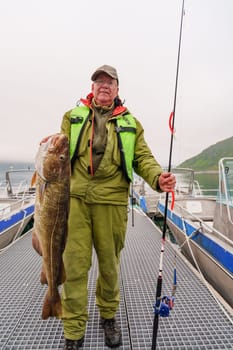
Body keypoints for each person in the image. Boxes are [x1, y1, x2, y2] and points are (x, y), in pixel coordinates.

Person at [60, 64, 176, 350]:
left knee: (110, 267)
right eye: (99, 81)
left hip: (111, 201)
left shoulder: (131, 124)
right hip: (75, 200)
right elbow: (59, 151)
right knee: (74, 266)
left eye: (109, 82)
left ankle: (108, 317)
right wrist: (48, 147)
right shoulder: (72, 117)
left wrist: (158, 178)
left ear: (117, 88)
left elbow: (143, 158)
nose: (103, 86)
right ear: (92, 87)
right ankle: (73, 330)